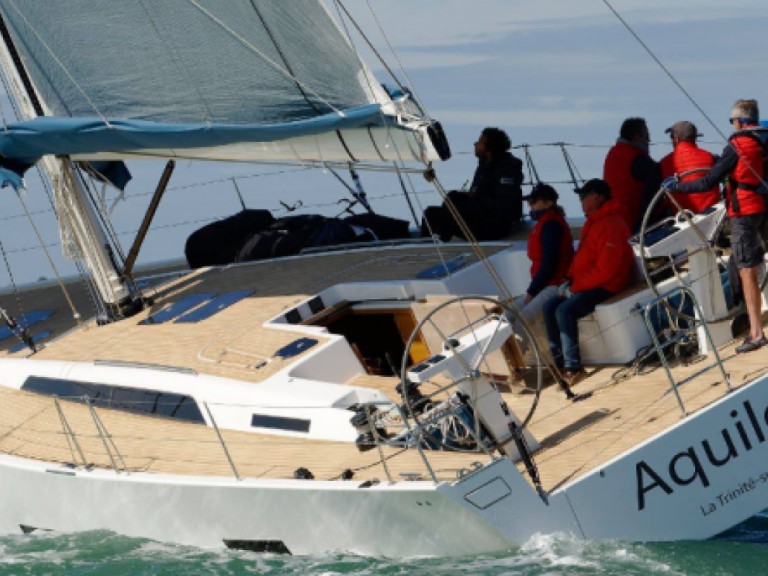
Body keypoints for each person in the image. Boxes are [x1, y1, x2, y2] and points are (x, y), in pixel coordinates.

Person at [666, 99, 766, 354]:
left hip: (743, 212)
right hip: (763, 209)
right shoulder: (764, 140)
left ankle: (756, 333)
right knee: (751, 263)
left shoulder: (736, 146)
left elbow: (708, 182)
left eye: (732, 120)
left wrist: (676, 186)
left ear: (739, 121)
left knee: (746, 271)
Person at [542, 178, 635, 385]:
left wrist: (575, 287)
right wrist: (569, 280)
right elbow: (582, 260)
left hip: (608, 284)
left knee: (564, 310)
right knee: (550, 307)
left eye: (584, 196)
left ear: (598, 196)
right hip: (588, 283)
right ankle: (560, 366)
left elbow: (607, 270)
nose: (581, 200)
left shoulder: (611, 223)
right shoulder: (594, 222)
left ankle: (574, 367)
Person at [421, 127, 523, 241]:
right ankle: (427, 246)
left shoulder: (508, 168)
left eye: (480, 142)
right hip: (482, 217)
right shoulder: (484, 166)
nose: (475, 144)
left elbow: (503, 204)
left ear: (489, 147)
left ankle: (444, 240)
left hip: (497, 225)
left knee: (454, 198)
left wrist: (473, 197)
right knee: (430, 214)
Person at [513, 183, 574, 344]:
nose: (530, 206)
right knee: (505, 315)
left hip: (555, 284)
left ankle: (519, 363)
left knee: (522, 320)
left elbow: (549, 264)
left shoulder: (551, 225)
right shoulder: (546, 223)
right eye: (529, 202)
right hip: (543, 284)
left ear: (548, 203)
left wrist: (531, 292)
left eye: (533, 202)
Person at [603, 117, 661, 233]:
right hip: (633, 221)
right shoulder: (637, 160)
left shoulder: (614, 153)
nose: (649, 140)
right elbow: (660, 174)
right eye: (646, 136)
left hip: (616, 218)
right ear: (636, 137)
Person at [659, 121, 720, 214]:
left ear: (676, 139)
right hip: (713, 215)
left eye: (671, 137)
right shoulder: (712, 158)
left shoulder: (663, 163)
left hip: (683, 220)